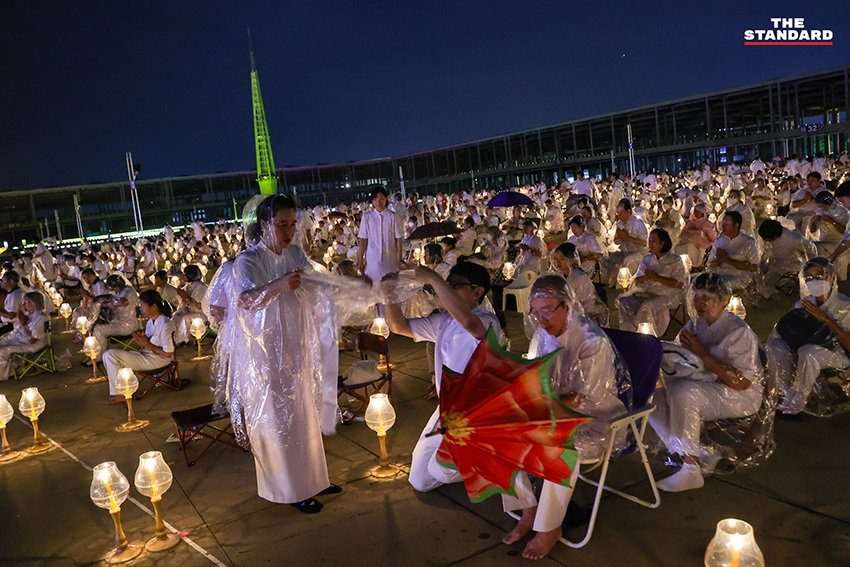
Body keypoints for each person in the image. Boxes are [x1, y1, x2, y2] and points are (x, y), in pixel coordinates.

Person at [502, 275, 631, 560]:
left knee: (559, 446)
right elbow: (533, 380)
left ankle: (549, 528)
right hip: (554, 412)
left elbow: (581, 399)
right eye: (535, 312)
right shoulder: (541, 335)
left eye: (547, 310)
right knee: (502, 433)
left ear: (568, 305)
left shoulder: (591, 341)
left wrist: (536, 412)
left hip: (596, 421)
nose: (541, 319)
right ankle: (528, 508)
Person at [231, 194, 340, 513]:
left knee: (305, 416)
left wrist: (344, 286)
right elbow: (245, 301)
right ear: (265, 225)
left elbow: (313, 280)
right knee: (279, 422)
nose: (289, 230)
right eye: (282, 224)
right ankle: (290, 490)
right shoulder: (248, 261)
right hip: (266, 357)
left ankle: (314, 480)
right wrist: (278, 284)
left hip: (296, 346)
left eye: (293, 224)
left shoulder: (294, 251)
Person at [383, 262, 501, 493]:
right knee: (420, 480)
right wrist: (389, 296)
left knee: (442, 470)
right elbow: (398, 326)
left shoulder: (488, 321)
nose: (448, 289)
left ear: (477, 292)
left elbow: (469, 323)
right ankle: (477, 459)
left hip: (475, 415)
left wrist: (433, 278)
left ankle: (491, 457)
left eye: (456, 286)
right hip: (447, 411)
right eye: (449, 284)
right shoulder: (444, 321)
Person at [648, 273, 763, 492]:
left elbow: (742, 383)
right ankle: (699, 451)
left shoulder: (738, 332)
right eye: (697, 296)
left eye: (708, 297)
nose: (700, 302)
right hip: (706, 386)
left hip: (742, 396)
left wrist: (703, 354)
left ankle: (691, 470)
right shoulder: (694, 326)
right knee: (649, 396)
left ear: (724, 300)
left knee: (685, 392)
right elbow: (679, 357)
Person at [768, 258, 850, 415]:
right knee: (775, 345)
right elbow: (786, 330)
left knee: (808, 351)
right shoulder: (803, 304)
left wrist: (825, 318)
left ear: (832, 277)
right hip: (802, 349)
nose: (814, 281)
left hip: (837, 354)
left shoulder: (845, 306)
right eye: (809, 277)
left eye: (820, 276)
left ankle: (800, 398)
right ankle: (787, 392)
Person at [102, 290, 175, 404]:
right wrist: (142, 341)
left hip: (158, 361)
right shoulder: (151, 322)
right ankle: (122, 390)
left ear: (154, 306)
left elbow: (168, 353)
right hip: (146, 355)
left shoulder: (165, 324)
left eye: (142, 305)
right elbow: (148, 343)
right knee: (109, 355)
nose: (140, 308)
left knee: (110, 355)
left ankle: (119, 393)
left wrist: (148, 344)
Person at [617, 228, 686, 336]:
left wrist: (657, 278)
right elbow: (637, 280)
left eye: (654, 241)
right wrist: (646, 277)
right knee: (624, 301)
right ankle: (629, 332)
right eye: (649, 240)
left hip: (667, 294)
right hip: (647, 291)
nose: (650, 243)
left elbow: (679, 284)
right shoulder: (647, 259)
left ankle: (647, 335)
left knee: (647, 305)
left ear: (662, 243)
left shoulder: (674, 260)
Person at [550, 242, 609, 326]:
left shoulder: (580, 277)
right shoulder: (559, 276)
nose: (558, 262)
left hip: (583, 312)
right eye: (556, 258)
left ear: (573, 259)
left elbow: (581, 303)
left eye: (562, 259)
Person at [85, 274, 141, 362]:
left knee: (99, 329)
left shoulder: (128, 292)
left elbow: (123, 301)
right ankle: (97, 353)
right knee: (99, 323)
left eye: (113, 288)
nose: (113, 291)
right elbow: (113, 296)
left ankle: (98, 358)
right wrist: (101, 298)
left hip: (127, 326)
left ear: (117, 286)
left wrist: (106, 304)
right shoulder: (125, 289)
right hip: (120, 322)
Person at [357, 186, 404, 284]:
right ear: (372, 201)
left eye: (381, 199)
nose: (378, 202)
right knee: (373, 288)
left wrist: (399, 258)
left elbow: (398, 239)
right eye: (375, 199)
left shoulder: (393, 216)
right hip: (372, 260)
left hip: (390, 260)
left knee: (390, 287)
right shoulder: (367, 217)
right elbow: (363, 240)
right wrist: (360, 259)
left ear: (386, 199)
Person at [757, 219, 815, 298]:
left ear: (774, 237)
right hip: (777, 260)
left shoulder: (793, 239)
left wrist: (810, 265)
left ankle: (771, 293)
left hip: (792, 263)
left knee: (767, 278)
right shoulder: (773, 237)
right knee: (758, 270)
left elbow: (811, 248)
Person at [0, 293, 49, 381]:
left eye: (26, 302)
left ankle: (4, 375)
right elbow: (20, 315)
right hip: (23, 340)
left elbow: (33, 340)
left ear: (33, 303)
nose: (23, 304)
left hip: (33, 345)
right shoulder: (31, 313)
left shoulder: (41, 318)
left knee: (3, 350)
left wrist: (25, 327)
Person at [707, 211, 758, 291]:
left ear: (736, 226)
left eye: (727, 224)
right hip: (720, 275)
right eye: (722, 223)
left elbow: (754, 267)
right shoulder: (719, 241)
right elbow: (710, 265)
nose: (723, 226)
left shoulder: (749, 242)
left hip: (738, 277)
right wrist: (719, 260)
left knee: (720, 286)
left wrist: (727, 260)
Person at [603, 198, 648, 286]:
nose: (618, 216)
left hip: (639, 252)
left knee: (628, 260)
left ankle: (630, 284)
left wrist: (627, 237)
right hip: (625, 250)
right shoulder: (619, 224)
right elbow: (616, 241)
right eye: (617, 213)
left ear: (628, 212)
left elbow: (644, 243)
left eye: (620, 213)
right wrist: (619, 238)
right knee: (608, 256)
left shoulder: (638, 224)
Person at [172, 265, 208, 344]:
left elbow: (199, 305)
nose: (183, 276)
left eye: (185, 274)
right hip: (190, 311)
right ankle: (174, 336)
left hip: (200, 313)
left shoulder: (201, 287)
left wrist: (187, 297)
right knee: (176, 315)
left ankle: (182, 339)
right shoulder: (188, 286)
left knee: (184, 318)